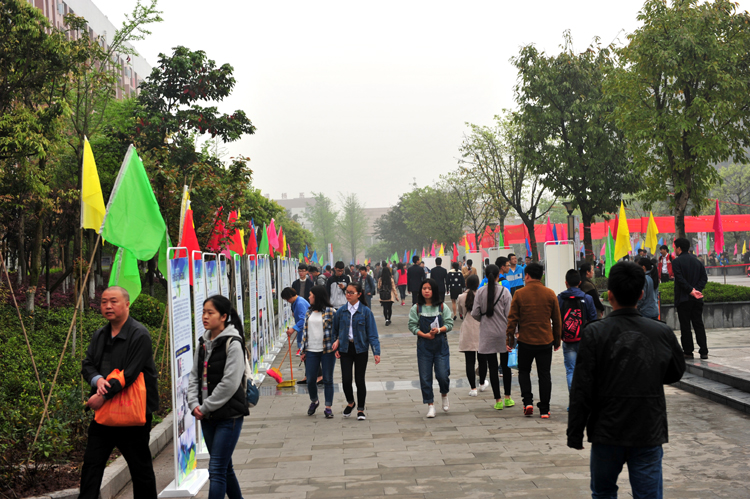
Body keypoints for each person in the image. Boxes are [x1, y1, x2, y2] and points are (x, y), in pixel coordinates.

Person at [567, 262, 686, 499]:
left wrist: (575, 432)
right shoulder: (661, 332)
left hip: (606, 430)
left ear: (609, 295)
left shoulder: (595, 333)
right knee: (648, 495)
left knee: (603, 493)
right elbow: (675, 372)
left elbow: (582, 387)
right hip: (647, 429)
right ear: (641, 294)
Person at [79, 286, 159, 499]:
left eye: (113, 301)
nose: (107, 306)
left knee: (140, 469)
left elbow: (130, 374)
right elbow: (87, 364)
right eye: (104, 301)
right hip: (104, 414)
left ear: (127, 304)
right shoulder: (100, 334)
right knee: (91, 465)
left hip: (132, 413)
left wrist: (102, 394)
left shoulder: (139, 334)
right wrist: (98, 380)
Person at [189, 295, 249, 499]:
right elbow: (194, 377)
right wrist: (194, 404)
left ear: (223, 316)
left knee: (216, 469)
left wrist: (204, 407)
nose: (205, 316)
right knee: (225, 467)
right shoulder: (204, 342)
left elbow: (229, 384)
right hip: (207, 417)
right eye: (203, 312)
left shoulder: (233, 343)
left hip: (228, 416)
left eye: (210, 312)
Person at [506, 262, 561, 418]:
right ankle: (545, 409)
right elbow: (557, 320)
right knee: (545, 374)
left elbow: (512, 320)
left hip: (526, 341)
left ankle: (528, 402)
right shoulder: (550, 294)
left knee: (524, 372)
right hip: (545, 341)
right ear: (541, 276)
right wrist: (557, 341)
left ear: (527, 276)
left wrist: (510, 341)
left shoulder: (519, 294)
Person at [332, 282, 381, 420]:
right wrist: (336, 343)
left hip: (361, 349)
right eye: (347, 292)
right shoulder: (341, 312)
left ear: (359, 294)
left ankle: (360, 409)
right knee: (346, 380)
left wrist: (376, 352)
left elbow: (372, 334)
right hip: (345, 349)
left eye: (351, 292)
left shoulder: (366, 312)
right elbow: (335, 331)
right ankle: (350, 402)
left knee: (360, 380)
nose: (348, 294)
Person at [408, 278, 454, 418]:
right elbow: (412, 326)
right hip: (424, 346)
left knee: (442, 375)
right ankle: (430, 405)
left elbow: (449, 324)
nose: (426, 291)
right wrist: (425, 335)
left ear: (434, 291)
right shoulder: (416, 308)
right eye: (424, 288)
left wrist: (439, 330)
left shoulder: (441, 307)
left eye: (429, 288)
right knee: (425, 377)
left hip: (440, 345)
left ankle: (444, 394)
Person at [471, 265, 514, 411]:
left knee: (493, 367)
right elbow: (510, 314)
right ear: (498, 275)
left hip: (487, 334)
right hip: (503, 333)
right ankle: (508, 397)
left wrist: (484, 319)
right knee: (506, 367)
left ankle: (498, 400)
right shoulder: (505, 291)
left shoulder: (480, 291)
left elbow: (474, 313)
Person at [556, 269, 596, 395]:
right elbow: (593, 319)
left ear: (566, 283)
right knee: (585, 370)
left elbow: (557, 319)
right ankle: (585, 403)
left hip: (568, 339)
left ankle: (573, 402)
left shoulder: (560, 298)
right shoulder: (587, 298)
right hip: (584, 339)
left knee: (570, 371)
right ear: (579, 282)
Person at [300, 285, 337, 418]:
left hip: (327, 350)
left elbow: (337, 330)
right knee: (310, 380)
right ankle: (314, 400)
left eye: (311, 295)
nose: (309, 297)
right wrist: (303, 350)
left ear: (317, 297)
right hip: (311, 350)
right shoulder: (308, 312)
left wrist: (337, 344)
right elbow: (305, 332)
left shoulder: (331, 311)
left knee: (327, 379)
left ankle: (328, 407)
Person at [672, 237, 709, 359]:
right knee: (698, 324)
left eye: (674, 247)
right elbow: (704, 278)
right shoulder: (697, 261)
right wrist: (696, 290)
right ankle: (704, 351)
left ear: (679, 248)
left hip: (684, 299)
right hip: (697, 299)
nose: (674, 249)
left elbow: (680, 279)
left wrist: (691, 291)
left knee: (685, 326)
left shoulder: (677, 262)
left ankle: (688, 351)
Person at [457, 275, 488, 395]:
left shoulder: (461, 296)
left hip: (468, 329)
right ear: (477, 284)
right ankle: (481, 384)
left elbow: (461, 312)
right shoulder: (482, 295)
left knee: (469, 362)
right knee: (483, 360)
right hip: (482, 328)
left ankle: (473, 389)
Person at [281, 287, 310, 359]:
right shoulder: (296, 302)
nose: (287, 301)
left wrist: (293, 328)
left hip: (308, 331)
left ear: (290, 296)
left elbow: (303, 319)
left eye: (287, 299)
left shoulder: (300, 303)